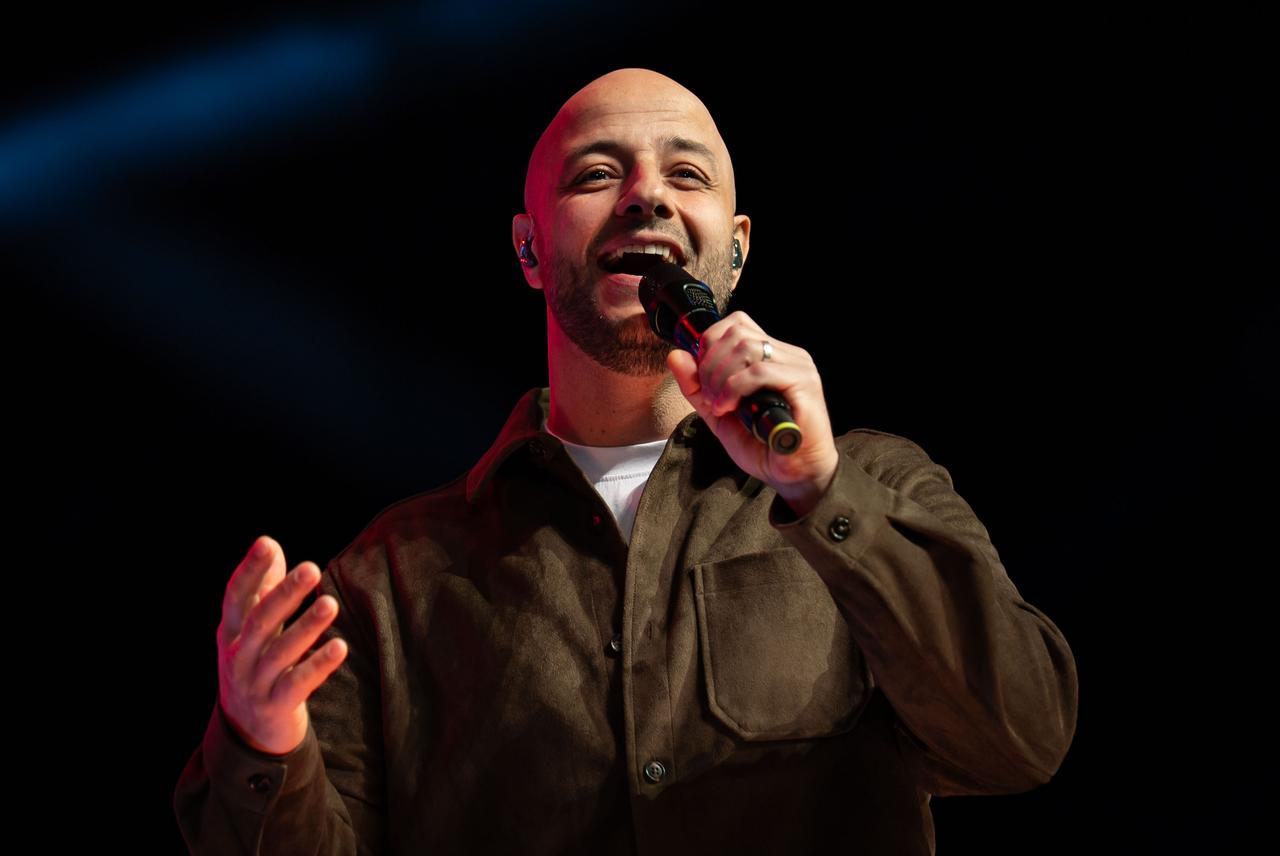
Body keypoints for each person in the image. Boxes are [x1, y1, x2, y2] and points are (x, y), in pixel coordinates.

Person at [174, 67, 1078, 854]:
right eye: (599, 173)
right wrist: (263, 746)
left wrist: (822, 490)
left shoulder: (878, 485)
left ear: (735, 248)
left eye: (686, 173)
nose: (646, 194)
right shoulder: (392, 578)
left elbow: (1020, 741)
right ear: (530, 248)